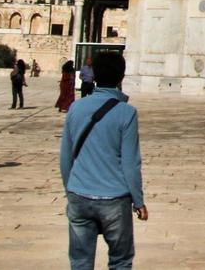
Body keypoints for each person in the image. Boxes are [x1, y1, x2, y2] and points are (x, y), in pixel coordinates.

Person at [60, 51, 146, 270]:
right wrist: (138, 201)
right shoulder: (126, 113)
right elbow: (130, 163)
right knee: (120, 261)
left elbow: (65, 157)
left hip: (79, 194)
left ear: (94, 75)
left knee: (80, 261)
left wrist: (72, 189)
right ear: (121, 78)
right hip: (114, 198)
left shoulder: (76, 108)